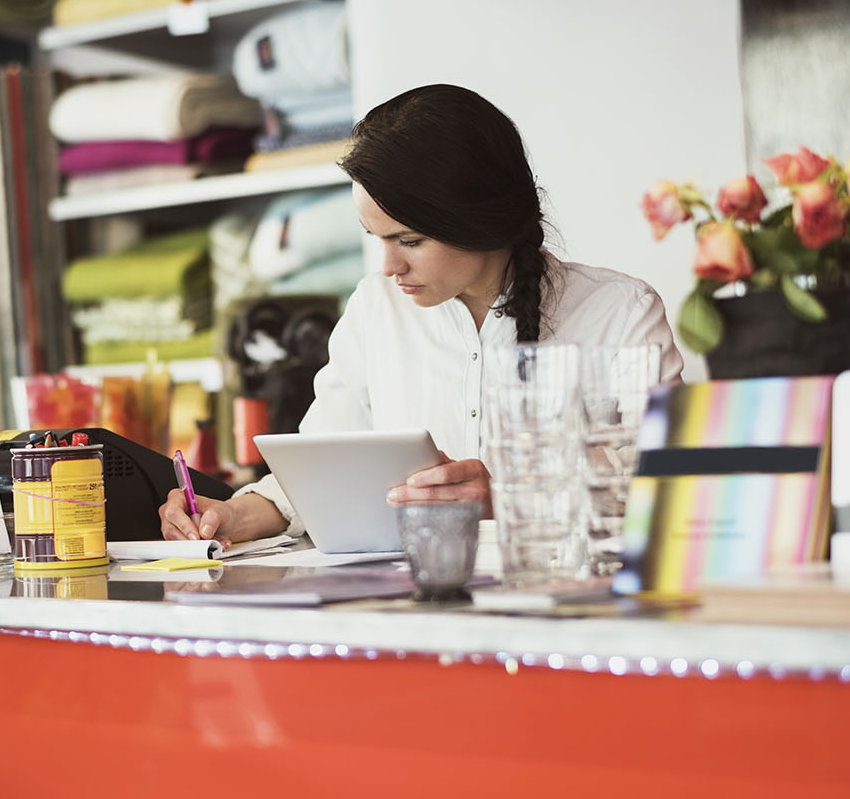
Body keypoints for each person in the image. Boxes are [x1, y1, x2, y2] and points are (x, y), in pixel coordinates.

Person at [159, 83, 683, 545]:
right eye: (378, 239)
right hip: (415, 608)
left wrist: (507, 498)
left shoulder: (621, 315)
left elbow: (670, 491)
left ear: (481, 219)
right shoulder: (376, 310)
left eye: (409, 240)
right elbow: (321, 466)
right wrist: (233, 516)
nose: (389, 266)